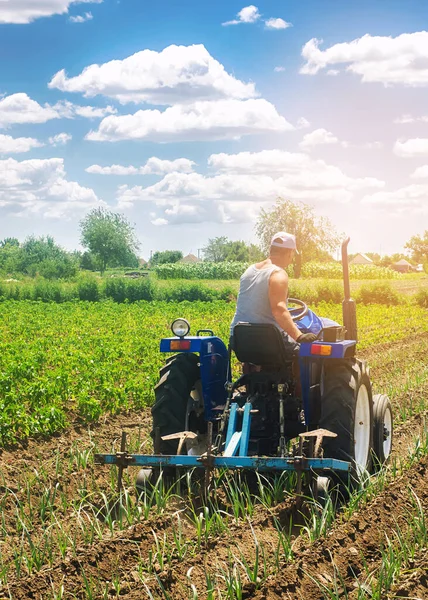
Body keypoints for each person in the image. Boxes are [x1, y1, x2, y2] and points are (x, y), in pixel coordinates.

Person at [230, 231, 318, 353]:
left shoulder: (249, 270)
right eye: (293, 254)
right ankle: (296, 372)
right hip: (267, 339)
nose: (292, 259)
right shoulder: (277, 273)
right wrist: (299, 336)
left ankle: (252, 367)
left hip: (238, 338)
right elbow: (279, 309)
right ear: (289, 252)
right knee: (306, 352)